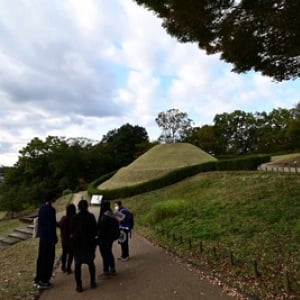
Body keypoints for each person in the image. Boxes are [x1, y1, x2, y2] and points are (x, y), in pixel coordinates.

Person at [71, 199, 97, 293]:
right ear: (87, 207)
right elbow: (95, 230)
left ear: (78, 207)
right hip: (89, 243)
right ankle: (92, 282)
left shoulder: (74, 218)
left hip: (78, 244)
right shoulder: (91, 216)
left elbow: (72, 230)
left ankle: (79, 285)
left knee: (77, 265)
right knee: (90, 263)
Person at [34, 190, 58, 289]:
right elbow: (52, 225)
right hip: (49, 238)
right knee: (49, 259)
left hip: (43, 237)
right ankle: (45, 280)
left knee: (41, 258)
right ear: (52, 198)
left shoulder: (41, 208)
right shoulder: (51, 210)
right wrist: (54, 238)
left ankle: (38, 279)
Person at [97, 200, 119, 279]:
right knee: (109, 252)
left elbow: (101, 229)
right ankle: (112, 269)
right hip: (111, 238)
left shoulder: (104, 217)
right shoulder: (111, 214)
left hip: (104, 239)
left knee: (105, 254)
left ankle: (106, 272)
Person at [58, 203, 76, 274]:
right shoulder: (74, 218)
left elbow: (59, 225)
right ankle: (68, 268)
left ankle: (63, 267)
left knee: (64, 253)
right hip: (71, 240)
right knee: (71, 254)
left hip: (64, 239)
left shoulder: (64, 218)